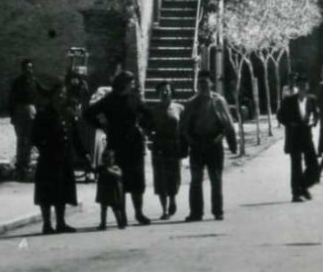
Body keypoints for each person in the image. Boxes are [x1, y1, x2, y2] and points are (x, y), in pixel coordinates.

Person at [86, 72, 152, 225]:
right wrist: (102, 125)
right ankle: (122, 216)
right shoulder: (109, 100)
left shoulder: (134, 99)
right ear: (124, 83)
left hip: (134, 144)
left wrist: (143, 126)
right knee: (119, 182)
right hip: (116, 146)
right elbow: (88, 114)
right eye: (131, 82)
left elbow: (148, 113)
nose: (133, 85)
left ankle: (139, 213)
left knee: (137, 181)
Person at [179, 71, 238, 221]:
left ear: (211, 84)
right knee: (196, 179)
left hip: (214, 143)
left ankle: (218, 211)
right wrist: (189, 142)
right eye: (200, 83)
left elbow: (228, 124)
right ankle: (196, 212)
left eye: (206, 82)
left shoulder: (219, 101)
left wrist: (230, 142)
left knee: (216, 178)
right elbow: (184, 127)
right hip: (197, 144)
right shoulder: (191, 103)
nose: (203, 85)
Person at [30, 84, 78, 234]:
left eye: (63, 94)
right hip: (49, 158)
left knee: (62, 190)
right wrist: (44, 145)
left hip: (64, 157)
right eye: (59, 94)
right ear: (52, 96)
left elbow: (74, 135)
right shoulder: (44, 113)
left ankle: (61, 223)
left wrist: (84, 154)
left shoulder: (67, 113)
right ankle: (47, 224)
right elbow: (34, 136)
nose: (62, 97)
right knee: (47, 191)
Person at [142, 82, 184, 219]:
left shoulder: (179, 108)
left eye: (167, 90)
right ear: (158, 94)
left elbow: (184, 128)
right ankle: (164, 209)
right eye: (162, 91)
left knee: (173, 176)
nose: (164, 93)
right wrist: (149, 137)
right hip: (159, 146)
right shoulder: (153, 111)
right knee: (160, 178)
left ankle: (172, 200)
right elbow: (147, 128)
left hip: (174, 146)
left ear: (171, 92)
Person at [277, 75, 320, 202]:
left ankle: (303, 186)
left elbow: (316, 114)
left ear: (308, 87)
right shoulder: (289, 100)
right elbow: (280, 116)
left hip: (307, 135)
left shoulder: (312, 99)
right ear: (297, 87)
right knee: (296, 166)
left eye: (304, 85)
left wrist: (314, 121)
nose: (302, 87)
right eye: (300, 85)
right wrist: (290, 123)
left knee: (313, 164)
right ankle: (296, 193)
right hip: (294, 136)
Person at [7, 59, 41, 181]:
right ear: (23, 69)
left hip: (31, 111)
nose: (29, 70)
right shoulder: (17, 83)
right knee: (21, 139)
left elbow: (41, 95)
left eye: (31, 68)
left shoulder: (34, 82)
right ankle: (20, 165)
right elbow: (12, 99)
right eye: (27, 68)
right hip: (20, 111)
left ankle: (26, 164)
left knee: (30, 138)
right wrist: (12, 116)